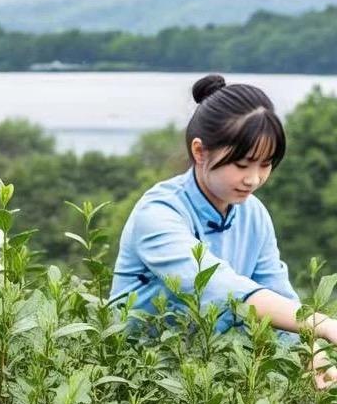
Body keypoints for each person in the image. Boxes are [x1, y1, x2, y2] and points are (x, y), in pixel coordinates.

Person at [111, 74, 337, 387]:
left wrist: (311, 348)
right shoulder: (159, 213)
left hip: (209, 379)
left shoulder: (253, 213)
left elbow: (277, 294)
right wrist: (319, 323)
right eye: (243, 165)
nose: (254, 179)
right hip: (138, 378)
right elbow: (216, 287)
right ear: (200, 151)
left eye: (266, 164)